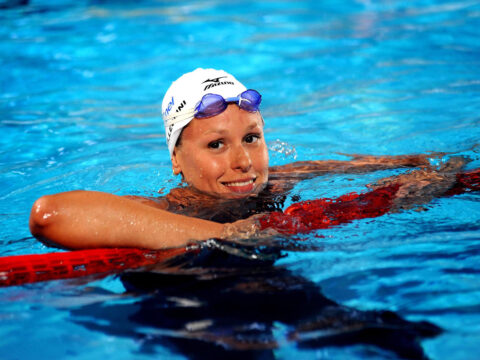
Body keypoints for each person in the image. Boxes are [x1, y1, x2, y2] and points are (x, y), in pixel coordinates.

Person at [28, 68, 466, 250]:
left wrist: (432, 167)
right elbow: (50, 215)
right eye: (216, 145)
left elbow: (356, 166)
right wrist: (231, 233)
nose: (243, 162)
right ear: (177, 159)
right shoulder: (170, 209)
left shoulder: (278, 182)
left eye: (252, 139)